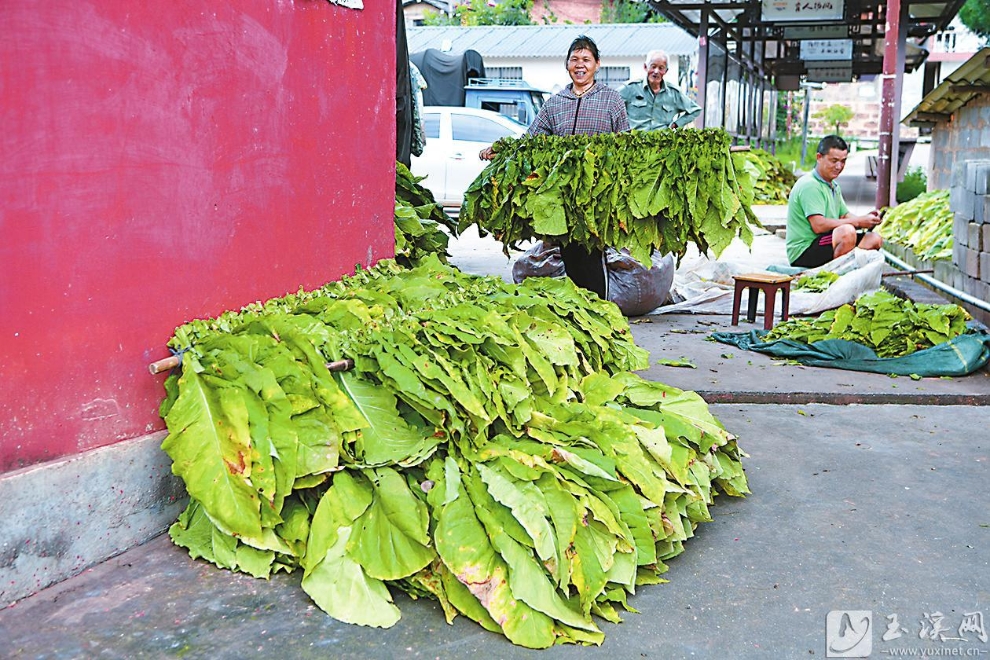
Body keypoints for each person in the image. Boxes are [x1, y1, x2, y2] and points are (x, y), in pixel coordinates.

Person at [479, 35, 629, 299]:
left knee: (593, 253)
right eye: (574, 59)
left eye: (586, 59)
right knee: (569, 253)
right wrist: (500, 149)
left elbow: (626, 143)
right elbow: (530, 140)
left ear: (597, 64)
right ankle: (581, 308)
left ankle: (598, 308)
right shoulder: (555, 103)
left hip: (597, 194)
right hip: (562, 196)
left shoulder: (611, 100)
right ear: (567, 65)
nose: (579, 65)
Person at [786, 135, 883, 268]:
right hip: (805, 250)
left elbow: (844, 215)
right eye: (834, 161)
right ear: (819, 158)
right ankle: (837, 277)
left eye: (843, 161)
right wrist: (858, 222)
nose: (839, 166)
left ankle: (848, 272)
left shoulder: (833, 186)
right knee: (847, 232)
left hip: (824, 242)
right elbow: (818, 225)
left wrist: (867, 219)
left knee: (873, 239)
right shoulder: (810, 185)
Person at [619, 50, 701, 131]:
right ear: (645, 67)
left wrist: (676, 124)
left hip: (662, 142)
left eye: (661, 68)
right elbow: (611, 106)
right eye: (653, 66)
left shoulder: (674, 93)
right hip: (634, 142)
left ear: (666, 71)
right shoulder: (629, 88)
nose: (656, 71)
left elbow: (695, 110)